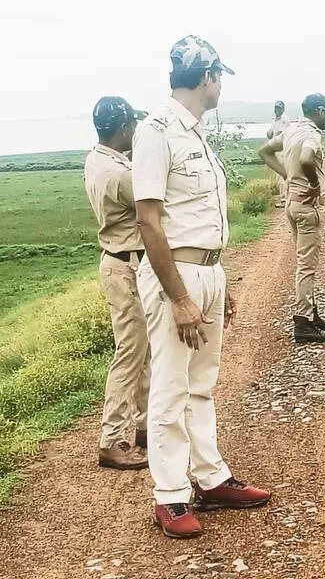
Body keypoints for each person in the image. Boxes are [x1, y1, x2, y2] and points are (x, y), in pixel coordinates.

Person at [132, 35, 270, 539]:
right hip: (178, 276)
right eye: (219, 77)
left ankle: (210, 478)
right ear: (207, 76)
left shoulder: (198, 134)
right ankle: (170, 496)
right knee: (170, 385)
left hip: (207, 271)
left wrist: (219, 278)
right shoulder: (157, 131)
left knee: (202, 383)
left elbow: (202, 217)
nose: (221, 86)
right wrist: (180, 297)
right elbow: (149, 222)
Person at [84, 96, 150, 471]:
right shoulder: (120, 175)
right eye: (132, 125)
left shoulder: (97, 160)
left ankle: (140, 427)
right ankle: (112, 440)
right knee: (130, 352)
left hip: (118, 262)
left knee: (140, 349)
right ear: (123, 128)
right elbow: (152, 206)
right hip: (126, 265)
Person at [258, 93, 325, 343]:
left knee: (303, 261)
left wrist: (287, 177)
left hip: (292, 203)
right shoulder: (312, 133)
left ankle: (311, 314)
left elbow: (265, 151)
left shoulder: (291, 129)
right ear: (320, 110)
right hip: (307, 205)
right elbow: (305, 158)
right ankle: (303, 322)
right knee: (307, 266)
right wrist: (313, 183)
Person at [267, 100, 289, 207]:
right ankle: (284, 197)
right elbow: (270, 134)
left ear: (283, 109)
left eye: (279, 108)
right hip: (276, 150)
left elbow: (279, 135)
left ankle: (285, 199)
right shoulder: (274, 120)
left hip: (281, 150)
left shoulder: (284, 120)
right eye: (276, 108)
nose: (277, 110)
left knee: (281, 174)